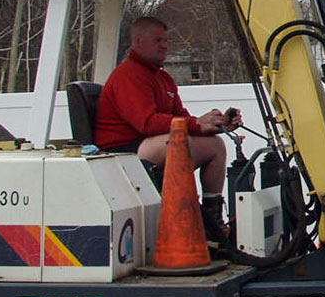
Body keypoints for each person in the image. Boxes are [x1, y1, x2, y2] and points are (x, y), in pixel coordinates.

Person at [94, 15, 242, 242]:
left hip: (148, 142)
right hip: (123, 149)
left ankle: (213, 218)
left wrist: (212, 126)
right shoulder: (128, 75)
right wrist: (195, 125)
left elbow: (180, 117)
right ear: (138, 41)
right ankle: (190, 221)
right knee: (179, 144)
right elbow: (147, 122)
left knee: (215, 145)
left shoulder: (163, 79)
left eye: (166, 40)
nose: (165, 46)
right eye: (158, 40)